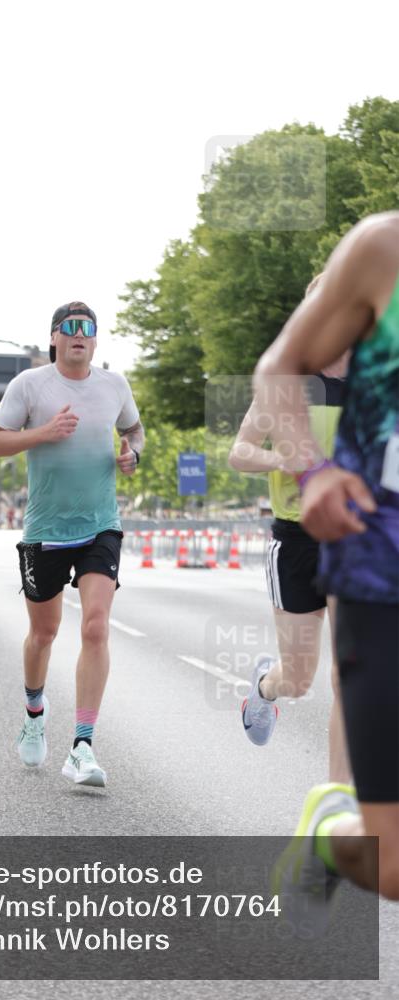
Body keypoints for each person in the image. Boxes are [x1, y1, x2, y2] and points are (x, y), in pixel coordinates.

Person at [252, 212, 399, 920]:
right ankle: (330, 831)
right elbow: (278, 367)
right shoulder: (382, 248)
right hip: (380, 551)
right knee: (388, 859)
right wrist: (310, 472)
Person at [0, 301, 144, 787]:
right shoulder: (29, 386)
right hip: (46, 530)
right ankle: (34, 710)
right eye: (70, 328)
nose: (79, 335)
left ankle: (82, 746)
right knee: (44, 635)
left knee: (95, 627)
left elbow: (133, 427)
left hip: (101, 525)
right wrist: (44, 433)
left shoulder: (114, 385)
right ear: (54, 337)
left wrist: (132, 451)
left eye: (87, 329)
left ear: (96, 339)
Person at [229, 275, 350, 783]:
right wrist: (283, 456)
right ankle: (264, 689)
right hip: (296, 540)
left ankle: (339, 807)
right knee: (299, 680)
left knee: (349, 676)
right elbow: (239, 452)